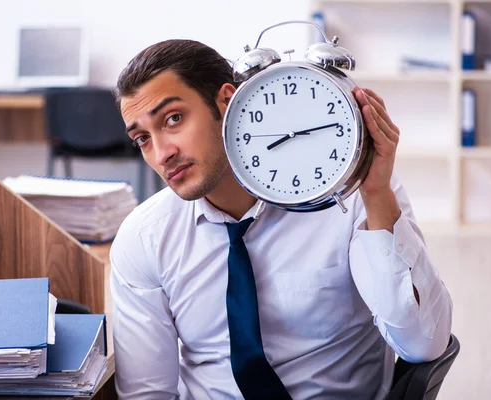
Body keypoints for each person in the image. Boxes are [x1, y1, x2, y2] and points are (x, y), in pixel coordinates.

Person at [110, 39, 453, 400]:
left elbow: (422, 345)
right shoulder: (144, 238)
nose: (163, 153)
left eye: (174, 119)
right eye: (142, 139)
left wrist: (377, 194)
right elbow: (146, 394)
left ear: (228, 102)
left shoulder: (354, 200)